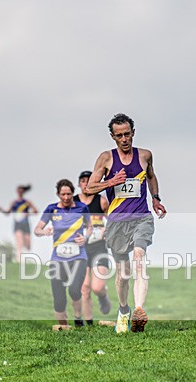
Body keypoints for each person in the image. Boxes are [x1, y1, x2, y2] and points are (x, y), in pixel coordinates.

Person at [85, 113, 167, 333]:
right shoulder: (106, 158)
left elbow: (151, 176)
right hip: (116, 222)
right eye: (119, 135)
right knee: (123, 274)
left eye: (127, 134)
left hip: (141, 217)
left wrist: (156, 199)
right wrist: (112, 181)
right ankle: (124, 310)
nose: (124, 139)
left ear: (133, 133)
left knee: (140, 256)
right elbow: (89, 188)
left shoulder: (145, 155)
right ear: (113, 136)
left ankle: (139, 310)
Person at [33, 179, 90, 327]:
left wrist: (86, 237)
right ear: (58, 194)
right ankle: (63, 327)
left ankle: (78, 319)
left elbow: (90, 227)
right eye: (63, 194)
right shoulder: (52, 209)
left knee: (74, 290)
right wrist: (44, 232)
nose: (66, 197)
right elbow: (37, 229)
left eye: (69, 194)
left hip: (78, 256)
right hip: (58, 258)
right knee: (59, 298)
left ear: (73, 193)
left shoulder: (82, 208)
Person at [75, 170, 112, 323]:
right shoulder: (74, 202)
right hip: (81, 248)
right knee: (85, 288)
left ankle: (103, 297)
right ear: (79, 184)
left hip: (98, 247)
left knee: (97, 287)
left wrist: (106, 230)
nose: (85, 183)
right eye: (82, 181)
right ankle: (89, 322)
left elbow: (113, 219)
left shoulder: (101, 201)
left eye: (88, 180)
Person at [0, 185, 37, 263]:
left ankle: (25, 256)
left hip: (25, 224)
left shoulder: (27, 202)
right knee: (19, 243)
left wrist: (28, 213)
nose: (20, 192)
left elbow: (35, 211)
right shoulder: (14, 203)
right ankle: (19, 260)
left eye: (21, 191)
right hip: (17, 224)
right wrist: (1, 210)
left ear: (23, 192)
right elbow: (8, 212)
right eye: (18, 191)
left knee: (28, 245)